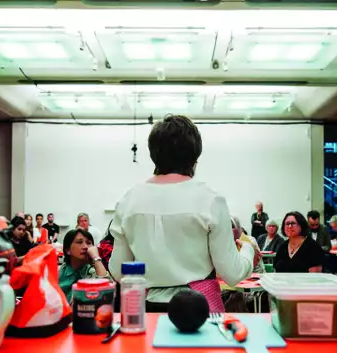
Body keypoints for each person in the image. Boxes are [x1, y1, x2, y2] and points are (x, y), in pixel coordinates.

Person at [109, 115, 257, 312]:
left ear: (153, 153)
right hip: (200, 309)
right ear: (195, 156)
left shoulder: (129, 201)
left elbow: (119, 271)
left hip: (146, 310)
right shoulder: (210, 200)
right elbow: (232, 273)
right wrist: (248, 249)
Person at [58, 228, 111, 301]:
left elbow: (108, 292)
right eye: (79, 242)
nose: (85, 247)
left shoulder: (93, 272)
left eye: (89, 243)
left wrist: (96, 258)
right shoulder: (59, 272)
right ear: (68, 250)